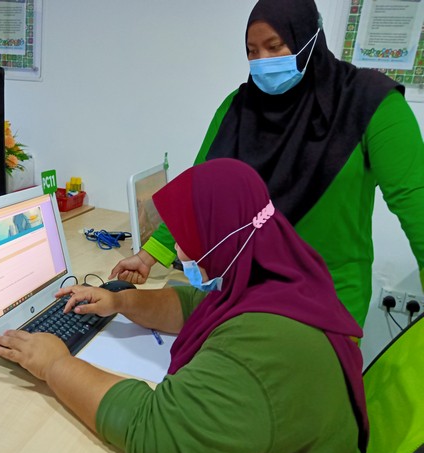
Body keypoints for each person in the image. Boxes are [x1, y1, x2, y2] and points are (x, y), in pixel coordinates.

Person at [0, 159, 368, 453]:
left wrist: (55, 365)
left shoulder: (259, 350)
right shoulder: (282, 279)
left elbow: (157, 433)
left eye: (184, 235)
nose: (177, 250)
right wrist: (121, 301)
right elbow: (199, 306)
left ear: (220, 236)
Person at [110, 0, 424, 327]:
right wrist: (148, 255)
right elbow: (198, 191)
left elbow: (415, 202)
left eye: (275, 47)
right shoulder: (238, 109)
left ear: (308, 38)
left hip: (327, 300)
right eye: (252, 51)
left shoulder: (371, 104)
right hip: (246, 291)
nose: (263, 61)